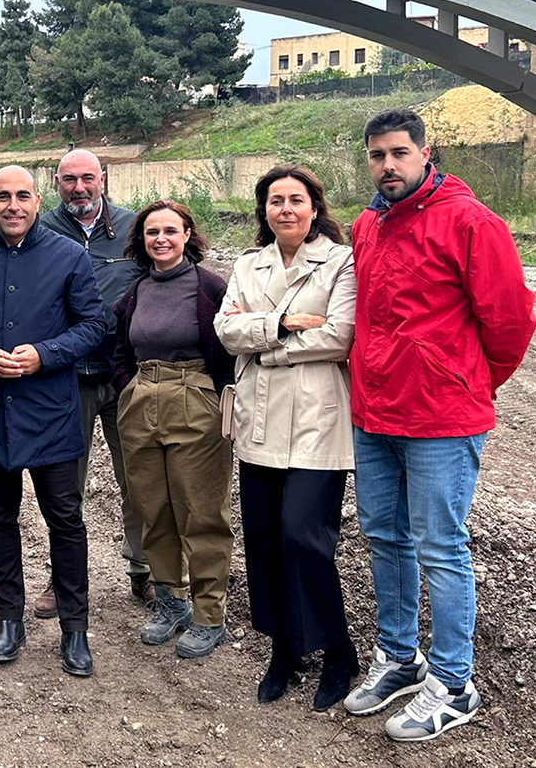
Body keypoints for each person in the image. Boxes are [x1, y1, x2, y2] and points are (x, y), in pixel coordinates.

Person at [342, 108, 536, 741]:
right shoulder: (368, 224)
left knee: (440, 548)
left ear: (427, 152)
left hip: (440, 419)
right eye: (377, 156)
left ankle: (454, 683)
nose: (388, 166)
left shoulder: (472, 223)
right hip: (375, 414)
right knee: (385, 538)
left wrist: (464, 384)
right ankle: (399, 657)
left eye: (399, 153)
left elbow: (509, 324)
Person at [0, 165, 106, 677]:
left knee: (65, 519)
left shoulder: (68, 256)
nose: (13, 205)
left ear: (37, 202)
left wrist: (47, 354)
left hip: (51, 411)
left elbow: (96, 324)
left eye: (23, 196)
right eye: (3, 197)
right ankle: (8, 619)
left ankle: (75, 629)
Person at [214, 165, 358, 710]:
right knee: (266, 542)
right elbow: (226, 332)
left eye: (297, 200)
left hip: (318, 424)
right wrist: (287, 323)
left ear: (315, 208)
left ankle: (338, 650)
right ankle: (284, 650)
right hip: (259, 421)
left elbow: (340, 335)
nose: (287, 209)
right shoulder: (249, 263)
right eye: (276, 201)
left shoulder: (341, 261)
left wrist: (263, 334)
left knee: (304, 535)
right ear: (264, 211)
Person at [111, 200, 235, 661]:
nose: (160, 238)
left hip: (195, 398)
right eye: (151, 232)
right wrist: (127, 388)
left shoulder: (209, 286)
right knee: (153, 508)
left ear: (188, 235)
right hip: (142, 399)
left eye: (170, 230)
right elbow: (121, 347)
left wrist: (222, 401)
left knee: (201, 510)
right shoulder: (136, 291)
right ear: (141, 240)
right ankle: (170, 601)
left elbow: (230, 348)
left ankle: (209, 613)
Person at [35, 149, 152, 616]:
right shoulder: (40, 230)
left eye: (87, 178)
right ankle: (62, 578)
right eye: (68, 180)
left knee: (140, 479)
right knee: (65, 486)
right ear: (56, 182)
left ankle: (145, 571)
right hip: (67, 379)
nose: (79, 188)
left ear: (104, 178)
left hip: (126, 376)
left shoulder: (134, 228)